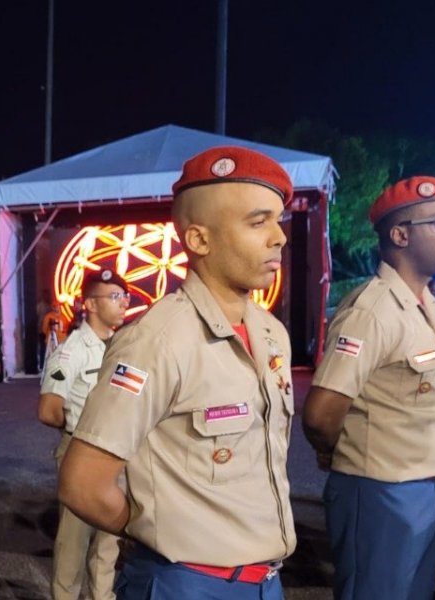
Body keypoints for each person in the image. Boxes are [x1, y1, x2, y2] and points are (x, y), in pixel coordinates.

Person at [59, 146, 296, 600]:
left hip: (265, 582)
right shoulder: (158, 341)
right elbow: (83, 483)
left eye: (278, 221)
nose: (279, 237)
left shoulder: (271, 334)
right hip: (186, 583)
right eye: (257, 222)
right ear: (199, 240)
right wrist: (155, 532)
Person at [304, 176, 435, 600]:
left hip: (421, 486)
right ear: (400, 235)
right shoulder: (372, 311)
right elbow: (320, 414)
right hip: (378, 490)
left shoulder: (428, 305)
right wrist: (337, 453)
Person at [39, 268, 130, 600]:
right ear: (90, 304)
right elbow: (49, 410)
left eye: (125, 296)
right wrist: (81, 432)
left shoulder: (121, 346)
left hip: (117, 452)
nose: (123, 303)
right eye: (114, 297)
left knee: (108, 544)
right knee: (73, 545)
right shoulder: (71, 351)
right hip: (83, 451)